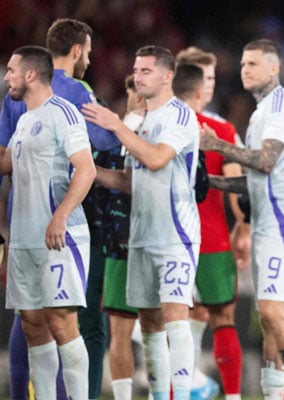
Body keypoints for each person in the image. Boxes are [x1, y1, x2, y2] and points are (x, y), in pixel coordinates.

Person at [0, 18, 119, 400]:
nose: (7, 78)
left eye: (12, 72)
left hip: (58, 236)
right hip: (23, 237)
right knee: (33, 323)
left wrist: (61, 216)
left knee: (62, 321)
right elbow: (8, 164)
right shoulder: (25, 121)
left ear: (31, 74)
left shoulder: (63, 111)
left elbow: (85, 169)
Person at [82, 45, 201, 400]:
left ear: (168, 76)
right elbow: (131, 181)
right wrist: (91, 171)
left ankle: (181, 395)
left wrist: (117, 126)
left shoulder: (179, 115)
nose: (138, 76)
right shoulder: (142, 122)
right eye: (136, 69)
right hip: (141, 236)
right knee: (149, 323)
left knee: (176, 318)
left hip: (174, 235)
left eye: (147, 70)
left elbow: (156, 159)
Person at [198, 39, 284, 400]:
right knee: (267, 317)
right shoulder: (261, 112)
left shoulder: (280, 105)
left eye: (253, 64)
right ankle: (272, 393)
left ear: (274, 68)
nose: (245, 69)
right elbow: (257, 179)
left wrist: (217, 146)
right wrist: (210, 181)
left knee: (273, 311)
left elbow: (266, 161)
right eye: (243, 64)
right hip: (266, 222)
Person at [173, 61, 246, 400]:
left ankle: (173, 393)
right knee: (223, 318)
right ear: (200, 90)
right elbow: (236, 187)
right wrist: (242, 228)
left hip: (171, 238)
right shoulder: (220, 129)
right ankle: (231, 396)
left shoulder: (157, 125)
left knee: (171, 322)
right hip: (213, 238)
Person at [99, 73, 144, 400]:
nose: (140, 97)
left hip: (157, 241)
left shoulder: (162, 131)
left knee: (160, 327)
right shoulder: (112, 138)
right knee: (121, 329)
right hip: (120, 243)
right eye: (135, 92)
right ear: (128, 95)